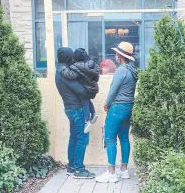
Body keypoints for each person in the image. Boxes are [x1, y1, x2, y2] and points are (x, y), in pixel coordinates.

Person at [95, 41, 138, 183]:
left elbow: (113, 89)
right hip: (128, 107)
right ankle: (124, 170)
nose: (115, 54)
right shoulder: (132, 70)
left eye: (117, 53)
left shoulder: (121, 70)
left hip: (117, 107)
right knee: (124, 138)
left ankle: (111, 173)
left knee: (109, 138)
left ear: (120, 55)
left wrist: (107, 104)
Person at [55, 47, 95, 179]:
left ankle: (71, 166)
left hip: (69, 108)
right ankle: (79, 169)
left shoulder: (59, 69)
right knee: (82, 138)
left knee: (74, 137)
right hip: (77, 109)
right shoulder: (64, 72)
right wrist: (89, 88)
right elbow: (81, 91)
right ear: (68, 57)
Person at [60, 48, 99, 133]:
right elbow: (96, 78)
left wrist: (63, 70)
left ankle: (87, 120)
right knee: (88, 101)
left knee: (84, 102)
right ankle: (93, 113)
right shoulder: (92, 64)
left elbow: (71, 75)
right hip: (93, 88)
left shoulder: (78, 67)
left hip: (85, 89)